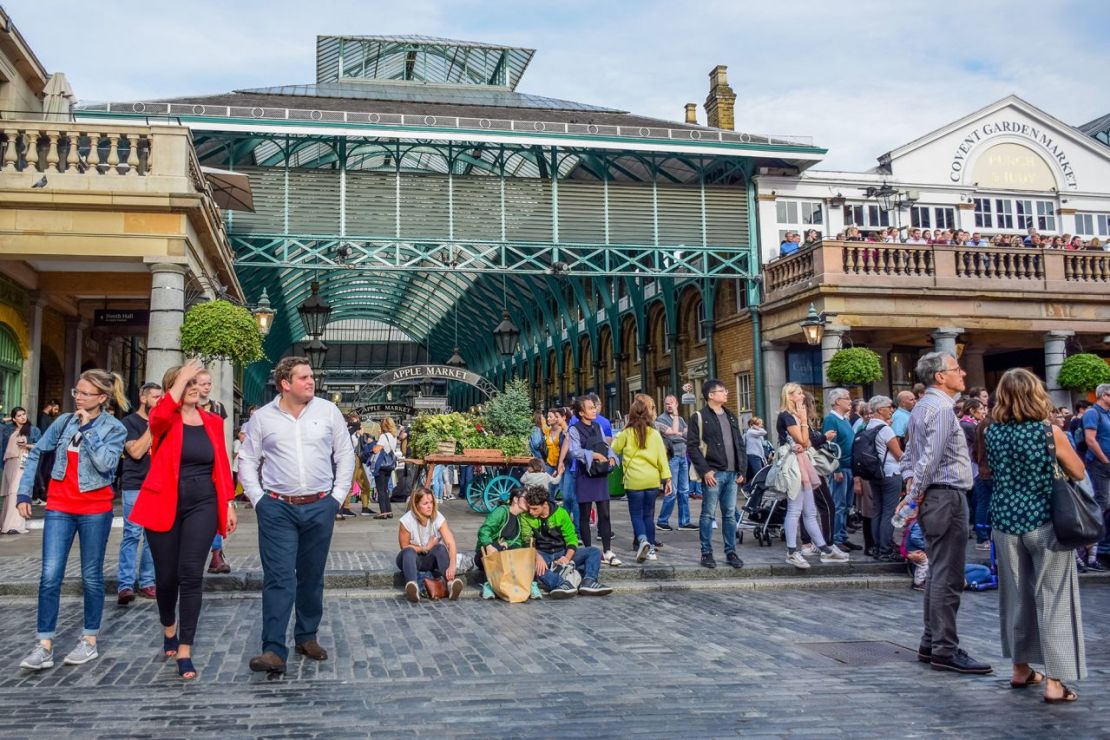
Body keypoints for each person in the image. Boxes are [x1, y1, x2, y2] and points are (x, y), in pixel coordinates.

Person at [237, 356, 355, 676]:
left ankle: (306, 636)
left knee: (311, 575)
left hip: (320, 505)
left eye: (311, 376)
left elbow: (345, 454)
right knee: (279, 578)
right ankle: (274, 649)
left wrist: (336, 498)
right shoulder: (263, 418)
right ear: (285, 384)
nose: (311, 381)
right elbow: (246, 460)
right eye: (303, 377)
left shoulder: (328, 411)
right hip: (277, 507)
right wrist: (258, 498)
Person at [128, 360, 237, 680]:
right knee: (166, 579)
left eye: (197, 383)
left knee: (191, 573)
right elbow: (159, 412)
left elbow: (221, 463)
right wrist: (181, 378)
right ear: (175, 387)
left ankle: (186, 647)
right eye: (188, 383)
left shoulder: (213, 422)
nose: (194, 388)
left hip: (202, 501)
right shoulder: (164, 419)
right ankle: (169, 629)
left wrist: (228, 502)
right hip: (164, 501)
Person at [985, 368, 1088, 703]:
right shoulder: (1048, 432)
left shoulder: (992, 431)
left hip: (1004, 520)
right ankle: (1056, 682)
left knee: (1015, 597)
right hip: (1044, 520)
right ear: (1036, 394)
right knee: (1055, 598)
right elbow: (1077, 470)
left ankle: (1020, 667)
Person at [17, 370, 129, 671]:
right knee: (50, 575)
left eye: (84, 393)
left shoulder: (114, 428)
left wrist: (88, 430)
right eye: (76, 392)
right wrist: (24, 493)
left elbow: (106, 464)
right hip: (59, 506)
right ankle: (44, 645)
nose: (78, 397)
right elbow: (38, 452)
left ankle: (89, 640)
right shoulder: (64, 421)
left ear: (102, 398)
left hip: (95, 508)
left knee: (91, 576)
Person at [902, 351, 991, 675]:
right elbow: (930, 457)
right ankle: (944, 648)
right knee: (948, 575)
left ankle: (931, 641)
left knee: (939, 570)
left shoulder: (923, 406)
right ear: (940, 376)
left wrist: (912, 487)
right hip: (946, 496)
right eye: (956, 369)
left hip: (937, 496)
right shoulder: (939, 408)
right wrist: (915, 493)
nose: (963, 373)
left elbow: (911, 456)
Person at [776, 384, 849, 569]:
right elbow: (802, 440)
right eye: (799, 393)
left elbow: (807, 442)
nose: (802, 396)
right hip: (794, 465)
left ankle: (825, 548)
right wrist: (802, 420)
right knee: (795, 509)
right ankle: (792, 551)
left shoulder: (796, 416)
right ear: (790, 396)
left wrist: (802, 426)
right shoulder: (786, 416)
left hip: (804, 462)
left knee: (809, 510)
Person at [687, 378, 746, 570]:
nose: (726, 393)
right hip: (714, 473)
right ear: (711, 395)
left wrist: (742, 470)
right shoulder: (698, 416)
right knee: (708, 514)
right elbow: (693, 447)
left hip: (732, 474)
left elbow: (739, 443)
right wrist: (705, 471)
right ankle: (707, 553)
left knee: (729, 514)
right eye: (722, 391)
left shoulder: (730, 416)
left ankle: (731, 552)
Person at [116, 382, 163, 604]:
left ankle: (147, 581)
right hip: (135, 484)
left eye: (160, 397)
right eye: (154, 397)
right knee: (132, 533)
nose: (158, 401)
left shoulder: (164, 423)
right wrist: (153, 426)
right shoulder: (129, 422)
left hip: (157, 485)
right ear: (143, 398)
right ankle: (125, 584)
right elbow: (135, 451)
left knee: (153, 537)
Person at [519, 487, 612, 598]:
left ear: (544, 504)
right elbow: (527, 541)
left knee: (594, 552)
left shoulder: (561, 513)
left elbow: (572, 539)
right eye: (529, 508)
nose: (531, 512)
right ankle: (561, 584)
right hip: (542, 553)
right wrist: (537, 557)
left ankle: (589, 581)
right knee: (531, 564)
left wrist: (567, 558)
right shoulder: (525, 517)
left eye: (534, 509)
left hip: (561, 552)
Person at [612, 394, 672, 562]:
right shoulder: (654, 433)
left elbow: (614, 449)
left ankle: (642, 540)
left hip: (634, 481)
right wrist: (668, 479)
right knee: (649, 516)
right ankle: (651, 548)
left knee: (636, 515)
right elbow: (662, 458)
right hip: (652, 480)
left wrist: (621, 432)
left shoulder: (626, 433)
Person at [567, 395, 620, 565]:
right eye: (590, 408)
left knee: (605, 513)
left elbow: (605, 445)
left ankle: (608, 551)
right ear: (582, 412)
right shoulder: (574, 429)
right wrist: (593, 455)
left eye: (594, 407)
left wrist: (611, 457)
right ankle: (589, 551)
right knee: (584, 515)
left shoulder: (598, 426)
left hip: (600, 476)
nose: (594, 410)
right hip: (585, 475)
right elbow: (574, 451)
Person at [396, 487, 464, 602]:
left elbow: (450, 542)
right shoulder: (406, 521)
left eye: (431, 502)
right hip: (410, 560)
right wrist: (426, 547)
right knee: (408, 552)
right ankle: (413, 587)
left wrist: (452, 565)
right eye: (425, 503)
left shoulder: (437, 517)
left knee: (440, 548)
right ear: (417, 505)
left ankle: (450, 584)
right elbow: (404, 547)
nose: (430, 506)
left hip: (428, 559)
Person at [195, 368, 232, 575]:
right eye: (203, 383)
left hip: (213, 464)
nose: (207, 387)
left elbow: (220, 440)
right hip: (195, 465)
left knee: (216, 512)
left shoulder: (218, 407)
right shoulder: (186, 408)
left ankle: (216, 553)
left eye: (209, 383)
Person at [475, 487, 541, 600]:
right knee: (496, 548)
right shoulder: (501, 511)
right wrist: (488, 545)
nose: (528, 502)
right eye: (526, 498)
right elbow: (484, 531)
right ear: (515, 499)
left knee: (526, 552)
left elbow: (518, 540)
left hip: (506, 555)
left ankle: (532, 584)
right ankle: (488, 585)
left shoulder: (521, 518)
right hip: (486, 554)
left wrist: (509, 545)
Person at [863, 396, 905, 559]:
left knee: (877, 510)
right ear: (880, 409)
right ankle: (886, 548)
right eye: (889, 406)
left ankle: (877, 547)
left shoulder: (868, 427)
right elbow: (898, 454)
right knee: (889, 512)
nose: (892, 409)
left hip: (875, 473)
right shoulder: (885, 429)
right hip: (890, 472)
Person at [822, 388, 858, 552]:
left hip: (849, 467)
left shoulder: (844, 419)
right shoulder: (831, 420)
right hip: (840, 468)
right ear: (837, 401)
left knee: (846, 504)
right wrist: (835, 468)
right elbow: (830, 446)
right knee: (839, 504)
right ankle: (836, 538)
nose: (850, 401)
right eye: (846, 398)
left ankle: (842, 536)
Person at [655, 395, 692, 531]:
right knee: (672, 491)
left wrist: (681, 434)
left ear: (677, 404)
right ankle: (662, 520)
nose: (668, 406)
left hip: (683, 456)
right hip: (672, 457)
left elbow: (688, 435)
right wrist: (681, 434)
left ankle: (684, 521)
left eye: (671, 403)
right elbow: (673, 436)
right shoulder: (661, 419)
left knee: (685, 490)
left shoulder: (680, 419)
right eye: (666, 404)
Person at [1081, 384, 1110, 560]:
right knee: (1102, 503)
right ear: (1103, 396)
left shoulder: (1107, 414)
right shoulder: (1093, 413)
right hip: (1099, 463)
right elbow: (1090, 440)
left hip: (1106, 461)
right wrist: (1105, 459)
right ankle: (1097, 545)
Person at [1, 407, 41, 534]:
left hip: (23, 463)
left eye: (24, 414)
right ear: (14, 418)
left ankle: (15, 525)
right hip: (9, 463)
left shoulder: (33, 430)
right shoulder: (8, 429)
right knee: (9, 494)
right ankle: (5, 524)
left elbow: (42, 445)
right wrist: (7, 419)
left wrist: (27, 445)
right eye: (19, 415)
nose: (23, 417)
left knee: (16, 491)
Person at [371, 417, 401, 520]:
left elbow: (376, 450)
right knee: (385, 489)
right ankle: (389, 512)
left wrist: (372, 444)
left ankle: (383, 513)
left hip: (381, 466)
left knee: (380, 490)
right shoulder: (394, 436)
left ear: (384, 426)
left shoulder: (384, 436)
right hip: (389, 465)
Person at [742, 417, 768, 486]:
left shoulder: (756, 433)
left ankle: (750, 491)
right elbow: (764, 432)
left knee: (754, 475)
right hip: (753, 456)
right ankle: (747, 489)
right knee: (758, 475)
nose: (761, 426)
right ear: (754, 425)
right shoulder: (751, 432)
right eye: (760, 424)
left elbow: (762, 444)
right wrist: (756, 428)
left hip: (758, 456)